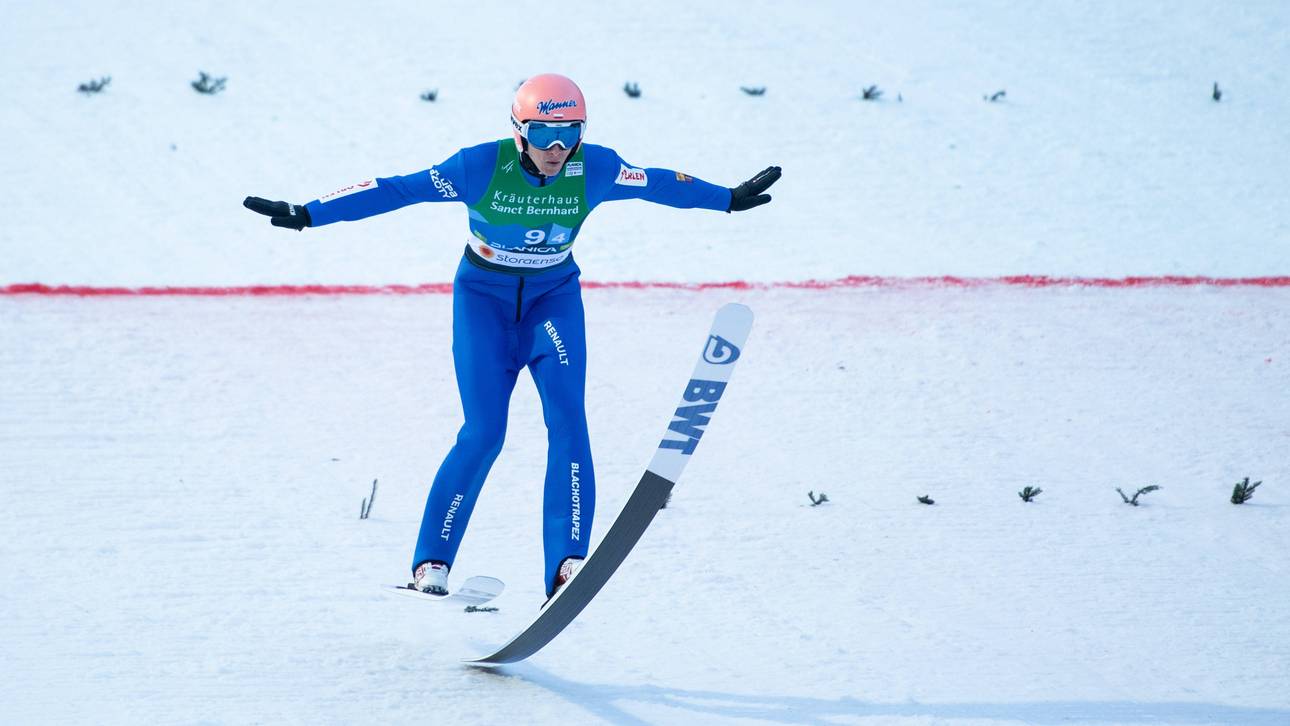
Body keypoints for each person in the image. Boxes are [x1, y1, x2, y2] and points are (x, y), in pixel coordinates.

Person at [245, 73, 780, 601]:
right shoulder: (478, 166)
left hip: (553, 302)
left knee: (569, 420)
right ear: (518, 130)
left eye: (571, 132)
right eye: (544, 132)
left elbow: (661, 182)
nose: (557, 147)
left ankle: (568, 562)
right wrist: (310, 214)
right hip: (483, 302)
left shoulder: (596, 168)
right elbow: (397, 190)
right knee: (484, 432)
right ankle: (431, 562)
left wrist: (727, 198)